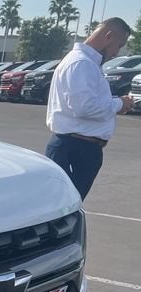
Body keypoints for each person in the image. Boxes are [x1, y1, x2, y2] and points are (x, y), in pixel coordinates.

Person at [45, 17, 135, 200]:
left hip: (76, 146)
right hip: (76, 148)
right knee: (65, 206)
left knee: (64, 205)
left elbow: (86, 103)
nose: (117, 52)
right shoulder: (82, 63)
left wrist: (115, 105)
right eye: (119, 45)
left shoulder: (85, 63)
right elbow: (84, 107)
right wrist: (119, 104)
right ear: (108, 36)